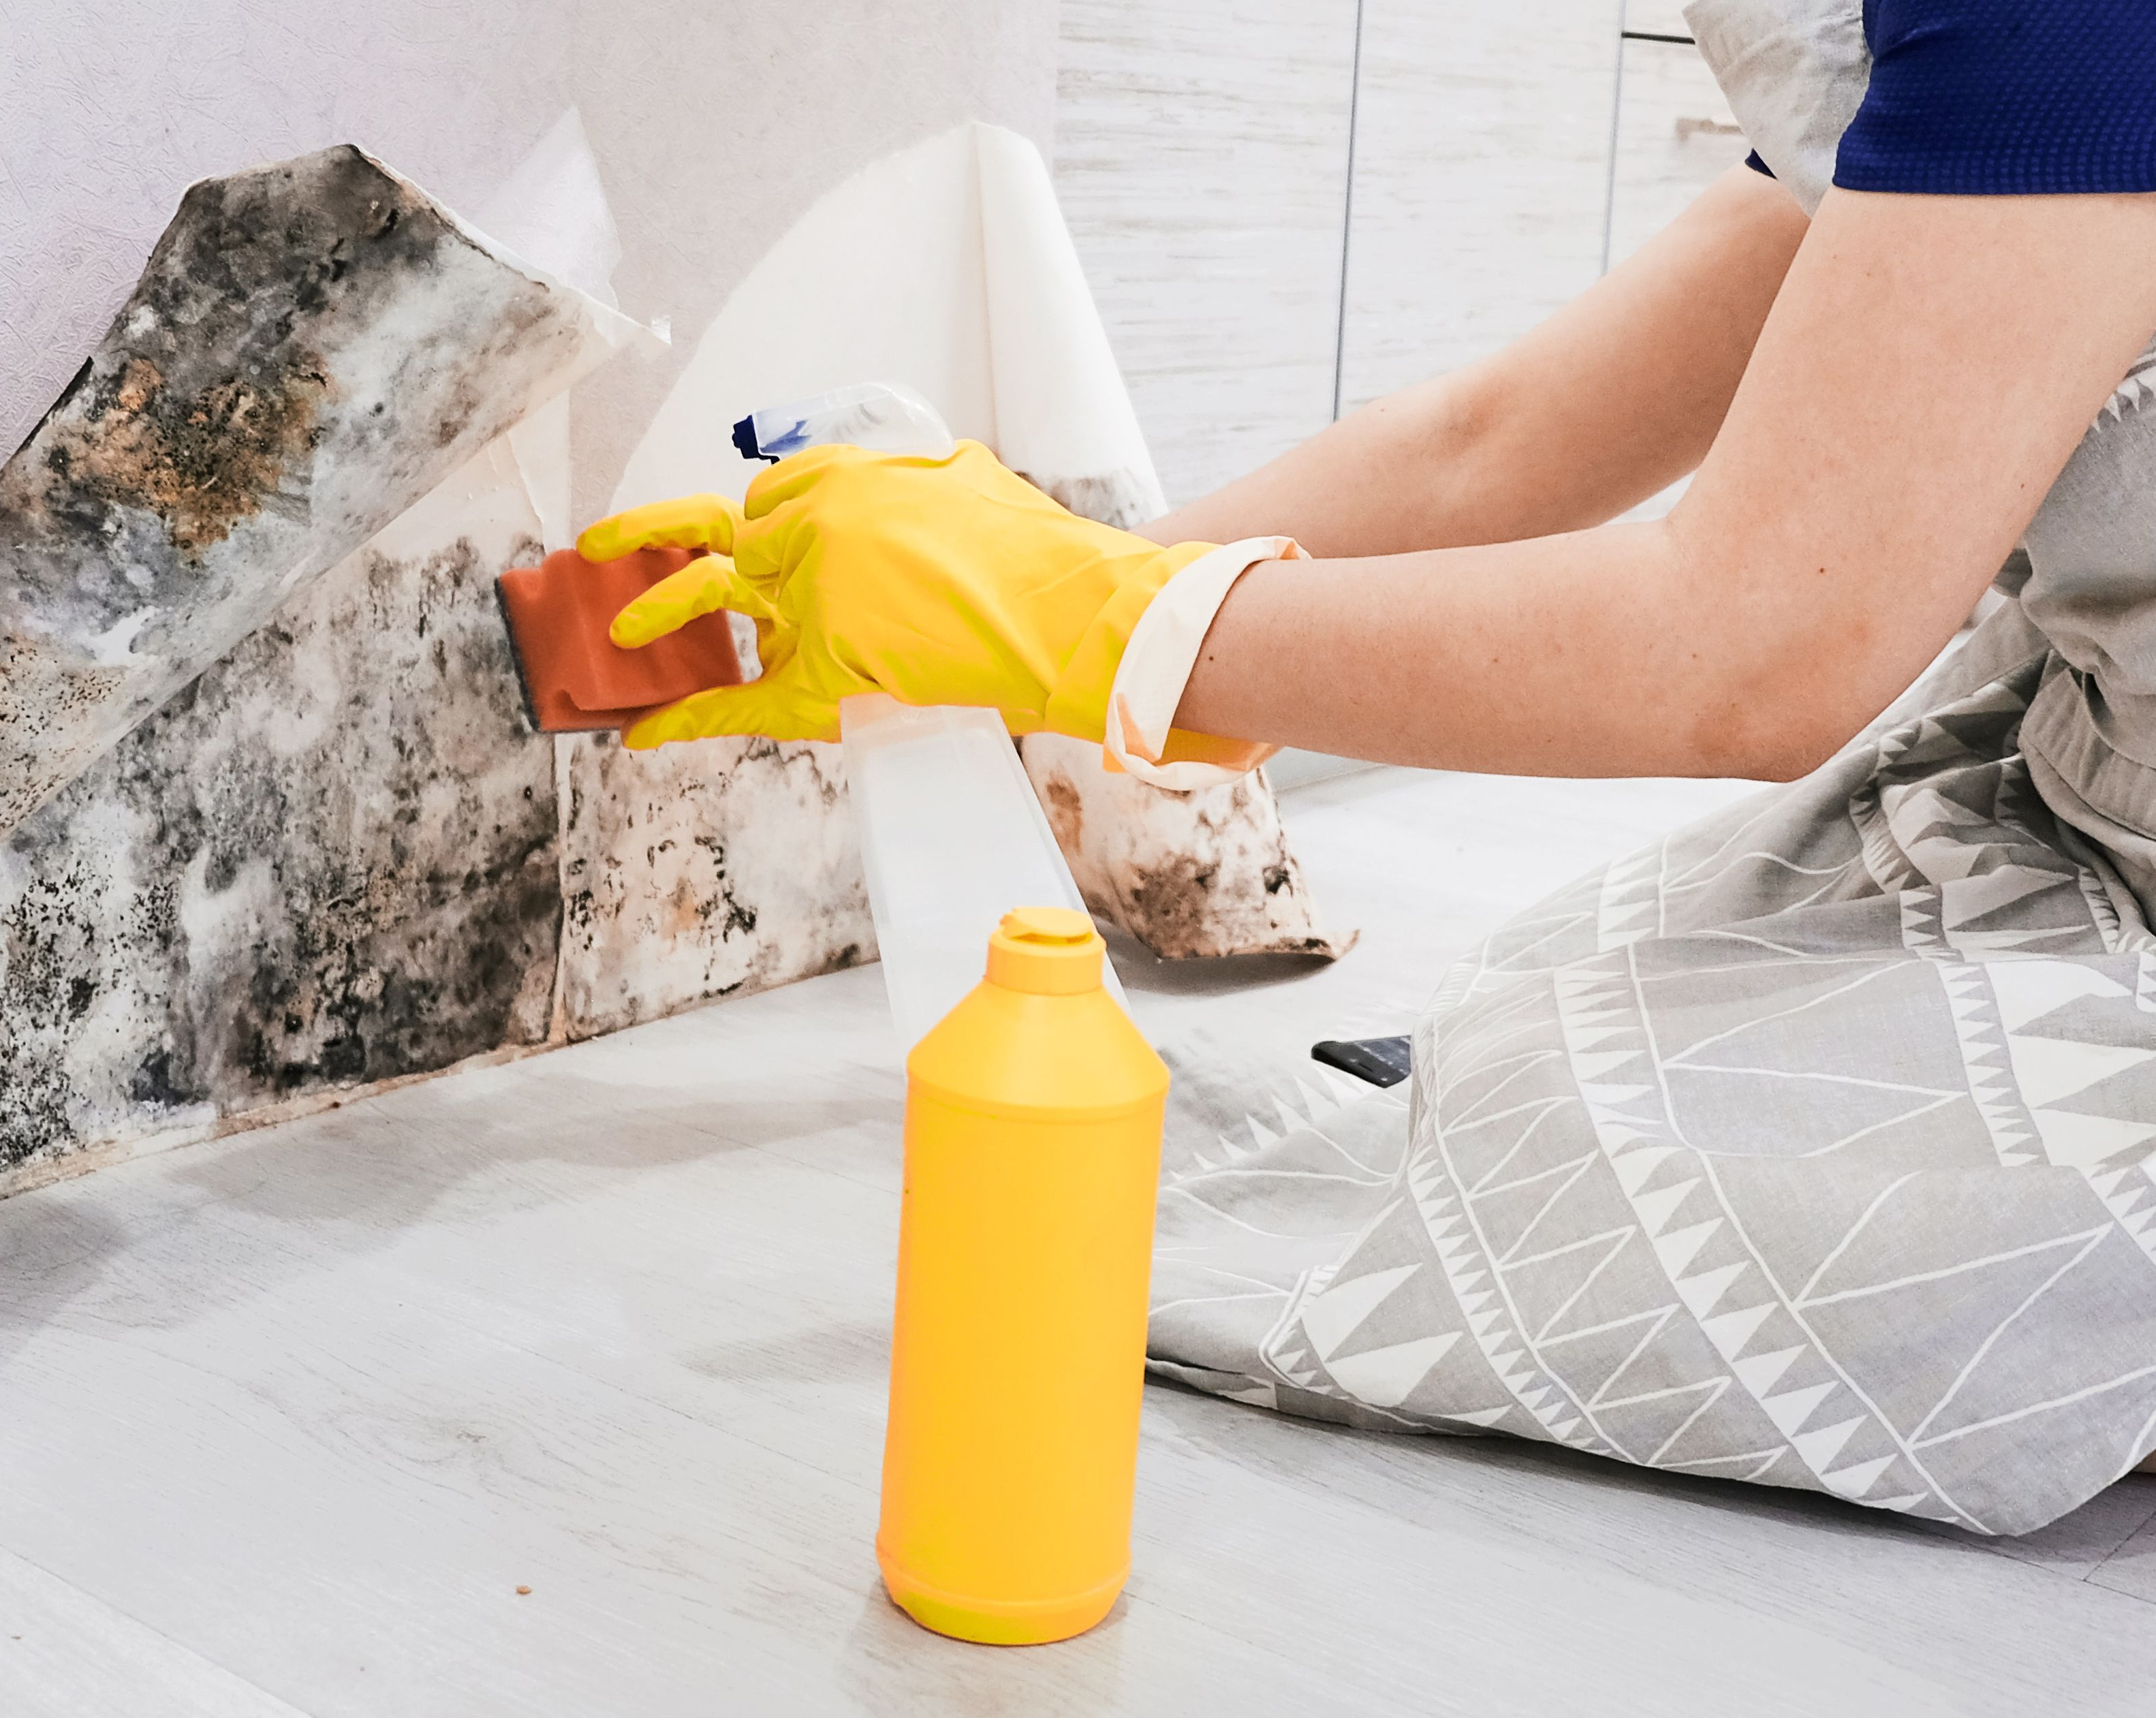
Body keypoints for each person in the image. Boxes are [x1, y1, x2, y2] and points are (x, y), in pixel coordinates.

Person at [578, 0, 2156, 1536]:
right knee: (1533, 1046)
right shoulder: (1956, 49)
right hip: (2100, 769)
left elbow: (1747, 650)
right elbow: (1499, 434)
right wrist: (1011, 603)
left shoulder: (2065, 25)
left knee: (1677, 1238)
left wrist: (1090, 625)